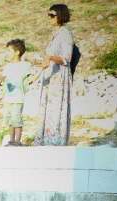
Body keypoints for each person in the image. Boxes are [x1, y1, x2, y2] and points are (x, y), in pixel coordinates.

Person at [34, 3, 75, 146]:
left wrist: (50, 58)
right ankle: (46, 140)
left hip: (59, 78)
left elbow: (66, 58)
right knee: (48, 108)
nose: (49, 18)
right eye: (49, 15)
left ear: (60, 16)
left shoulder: (66, 34)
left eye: (52, 15)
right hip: (51, 76)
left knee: (57, 109)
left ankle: (57, 141)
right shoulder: (55, 34)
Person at [1, 39, 32, 146]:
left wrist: (42, 69)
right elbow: (6, 82)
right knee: (10, 119)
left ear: (17, 52)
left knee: (17, 119)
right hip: (8, 99)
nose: (8, 53)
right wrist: (2, 95)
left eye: (9, 50)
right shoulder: (8, 66)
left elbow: (31, 79)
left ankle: (17, 141)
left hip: (18, 98)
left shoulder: (25, 66)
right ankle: (11, 140)